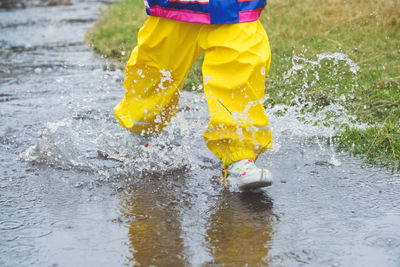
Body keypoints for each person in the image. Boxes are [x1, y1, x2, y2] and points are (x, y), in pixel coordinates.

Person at [114, 0, 273, 190]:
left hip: (235, 8)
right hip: (174, 7)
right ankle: (142, 129)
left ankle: (239, 155)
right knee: (155, 71)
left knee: (239, 70)